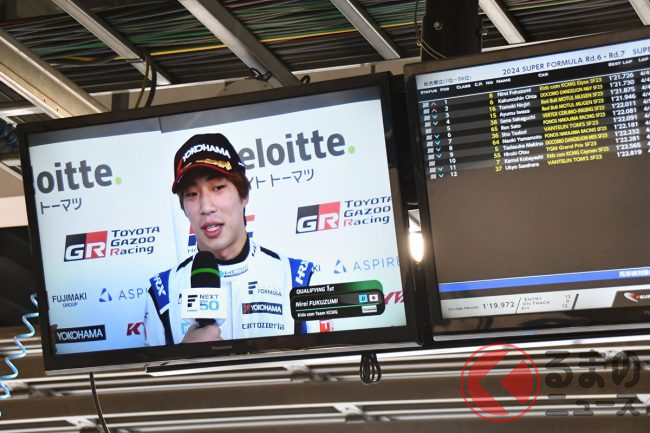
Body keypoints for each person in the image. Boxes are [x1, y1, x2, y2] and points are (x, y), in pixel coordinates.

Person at [143, 133, 315, 345]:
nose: (206, 207)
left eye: (218, 188)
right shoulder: (162, 292)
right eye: (191, 194)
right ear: (183, 208)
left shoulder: (299, 279)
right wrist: (186, 354)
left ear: (244, 195)